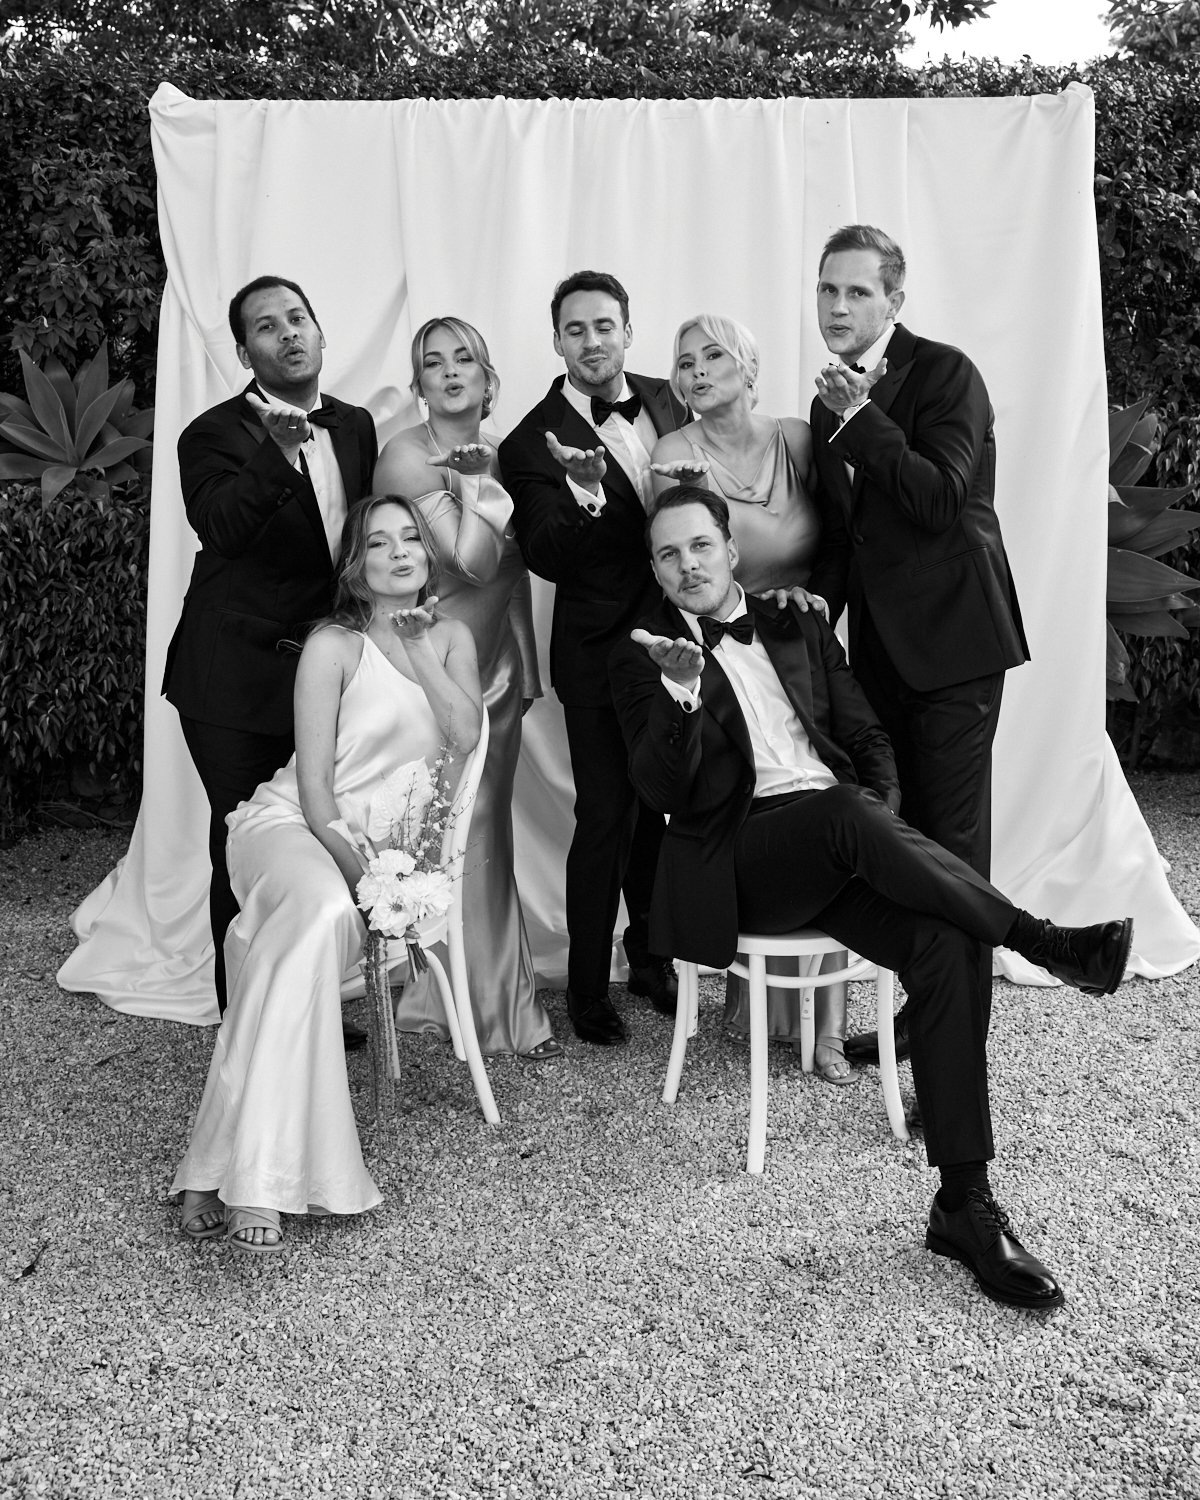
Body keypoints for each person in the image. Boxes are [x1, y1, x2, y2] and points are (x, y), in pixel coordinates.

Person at [610, 486, 1132, 1311]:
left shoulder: (798, 622)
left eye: (700, 546)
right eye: (668, 555)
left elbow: (866, 740)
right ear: (654, 569)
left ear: (731, 548)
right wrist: (680, 693)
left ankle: (963, 1203)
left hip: (843, 838)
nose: (687, 566)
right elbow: (657, 786)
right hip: (743, 862)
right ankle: (1041, 939)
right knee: (845, 813)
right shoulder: (640, 654)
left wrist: (878, 822)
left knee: (946, 943)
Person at [173, 494, 482, 1252]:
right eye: (379, 544)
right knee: (319, 913)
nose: (400, 552)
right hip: (290, 831)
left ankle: (223, 1171)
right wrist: (364, 885)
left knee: (307, 936)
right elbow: (315, 793)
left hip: (387, 858)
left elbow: (465, 734)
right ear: (356, 566)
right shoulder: (331, 645)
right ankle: (255, 1179)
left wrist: (414, 650)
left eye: (411, 538)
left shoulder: (452, 638)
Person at [803, 226, 1029, 1067]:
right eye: (828, 289)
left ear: (895, 301)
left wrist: (859, 417)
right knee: (907, 854)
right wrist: (807, 617)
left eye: (857, 292)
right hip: (879, 660)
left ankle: (952, 1069)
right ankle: (914, 1022)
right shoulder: (830, 397)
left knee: (956, 855)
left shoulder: (945, 373)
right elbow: (844, 538)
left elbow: (937, 498)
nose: (837, 306)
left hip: (956, 652)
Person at [162, 275, 378, 1033]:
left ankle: (313, 998)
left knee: (320, 837)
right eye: (266, 326)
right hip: (231, 684)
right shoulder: (213, 434)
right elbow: (220, 527)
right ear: (245, 351)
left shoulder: (354, 426)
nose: (287, 334)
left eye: (297, 319)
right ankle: (245, 1018)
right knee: (246, 842)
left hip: (320, 685)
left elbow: (352, 550)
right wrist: (276, 456)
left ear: (320, 332)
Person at [651, 314, 852, 1083]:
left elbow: (840, 534)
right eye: (683, 362)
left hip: (807, 643)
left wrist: (820, 606)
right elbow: (682, 552)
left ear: (750, 365)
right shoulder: (674, 454)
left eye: (713, 356)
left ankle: (830, 1028)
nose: (697, 371)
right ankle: (756, 1008)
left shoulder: (800, 439)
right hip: (726, 649)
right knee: (772, 799)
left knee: (836, 786)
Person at [499, 270, 689, 1046]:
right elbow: (543, 553)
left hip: (683, 640)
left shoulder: (670, 398)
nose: (592, 341)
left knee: (664, 810)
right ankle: (586, 987)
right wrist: (583, 493)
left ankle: (651, 956)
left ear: (627, 330)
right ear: (556, 340)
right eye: (575, 329)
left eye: (604, 326)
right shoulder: (527, 439)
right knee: (606, 815)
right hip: (597, 650)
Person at [373, 316, 559, 1060]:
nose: (450, 373)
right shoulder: (405, 459)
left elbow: (510, 580)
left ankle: (452, 995)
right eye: (433, 363)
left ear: (487, 379)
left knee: (486, 836)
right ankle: (491, 1013)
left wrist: (526, 669)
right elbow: (474, 563)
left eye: (465, 361)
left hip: (498, 670)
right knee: (465, 837)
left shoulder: (504, 450)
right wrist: (477, 480)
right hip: (439, 668)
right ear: (418, 384)